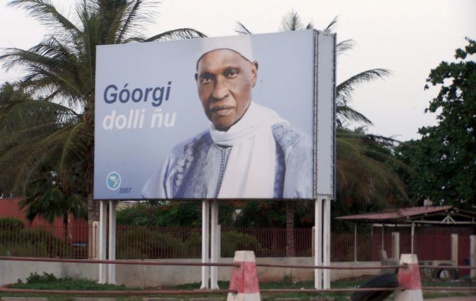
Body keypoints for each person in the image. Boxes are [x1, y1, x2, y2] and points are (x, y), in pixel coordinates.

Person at [142, 36, 313, 199]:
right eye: (207, 79)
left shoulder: (295, 150)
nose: (218, 93)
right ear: (197, 81)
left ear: (253, 74)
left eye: (230, 74)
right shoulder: (178, 159)